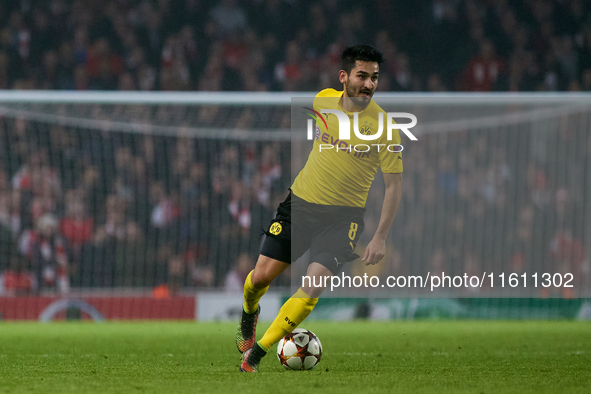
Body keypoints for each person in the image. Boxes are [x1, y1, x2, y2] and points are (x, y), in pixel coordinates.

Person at [237, 44, 403, 372]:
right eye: (362, 76)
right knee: (259, 278)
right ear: (344, 77)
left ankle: (256, 353)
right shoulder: (322, 100)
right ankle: (248, 313)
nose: (369, 84)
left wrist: (380, 236)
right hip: (300, 205)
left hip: (344, 218)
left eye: (375, 77)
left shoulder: (385, 126)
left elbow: (394, 185)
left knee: (313, 284)